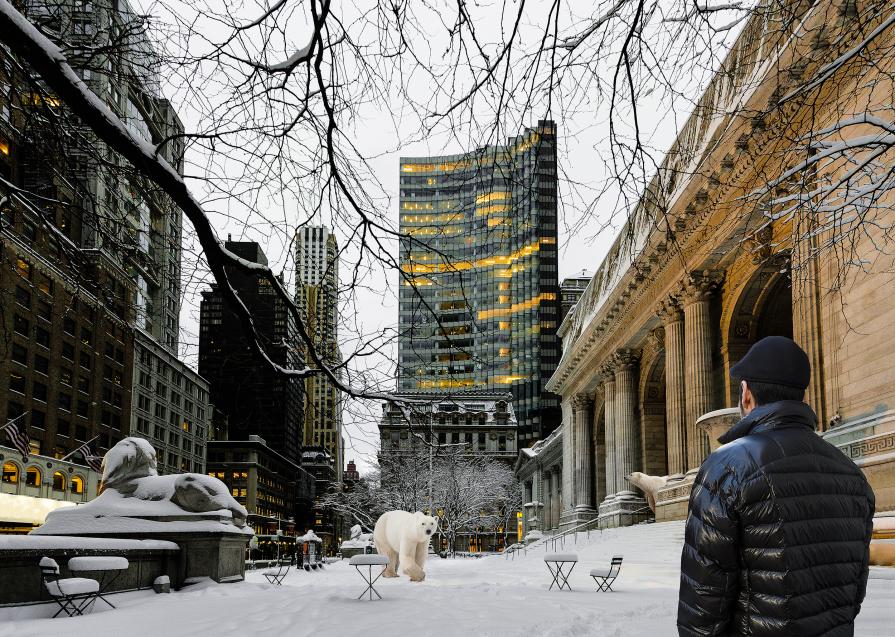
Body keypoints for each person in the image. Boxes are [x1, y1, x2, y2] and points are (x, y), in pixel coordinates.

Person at [677, 336, 875, 636]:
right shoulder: (851, 475)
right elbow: (853, 590)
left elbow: (703, 601)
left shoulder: (728, 467)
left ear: (746, 394)